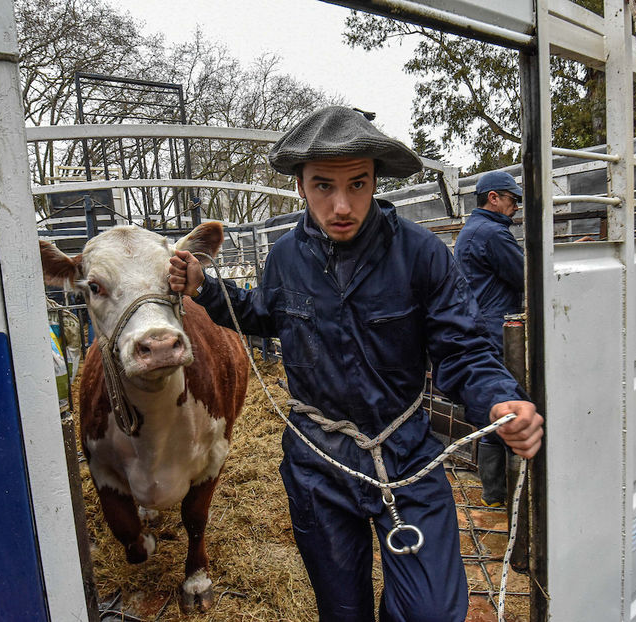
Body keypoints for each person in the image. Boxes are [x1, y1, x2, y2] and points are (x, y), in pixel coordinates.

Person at [168, 106, 542, 622]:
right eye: (323, 186)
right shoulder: (283, 258)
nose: (341, 205)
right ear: (301, 185)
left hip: (406, 452)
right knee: (342, 613)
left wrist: (497, 396)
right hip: (318, 461)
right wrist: (207, 288)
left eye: (358, 185)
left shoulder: (422, 254)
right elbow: (262, 313)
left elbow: (463, 347)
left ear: (374, 180)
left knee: (431, 613)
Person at [453, 171, 525, 508]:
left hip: (479, 324)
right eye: (512, 200)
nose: (515, 208)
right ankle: (507, 498)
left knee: (493, 414)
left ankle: (494, 495)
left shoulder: (470, 231)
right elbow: (525, 276)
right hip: (499, 330)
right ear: (493, 197)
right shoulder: (494, 233)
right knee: (509, 409)